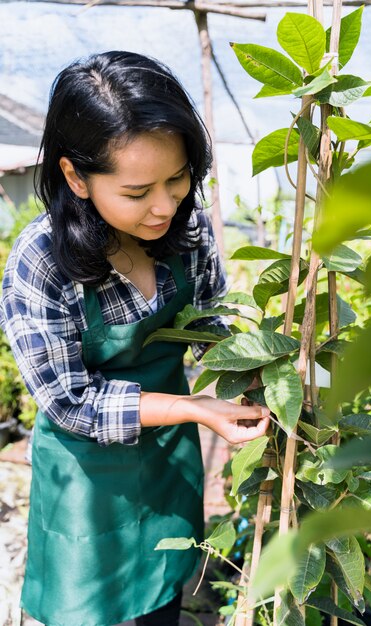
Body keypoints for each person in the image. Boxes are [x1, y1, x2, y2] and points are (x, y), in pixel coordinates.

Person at [0, 51, 270, 626]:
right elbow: (70, 403)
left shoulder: (186, 230)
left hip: (169, 460)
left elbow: (212, 324)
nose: (165, 205)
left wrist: (266, 367)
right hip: (87, 480)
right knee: (87, 610)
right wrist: (193, 407)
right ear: (76, 176)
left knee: (164, 598)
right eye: (137, 190)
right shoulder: (42, 261)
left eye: (178, 179)